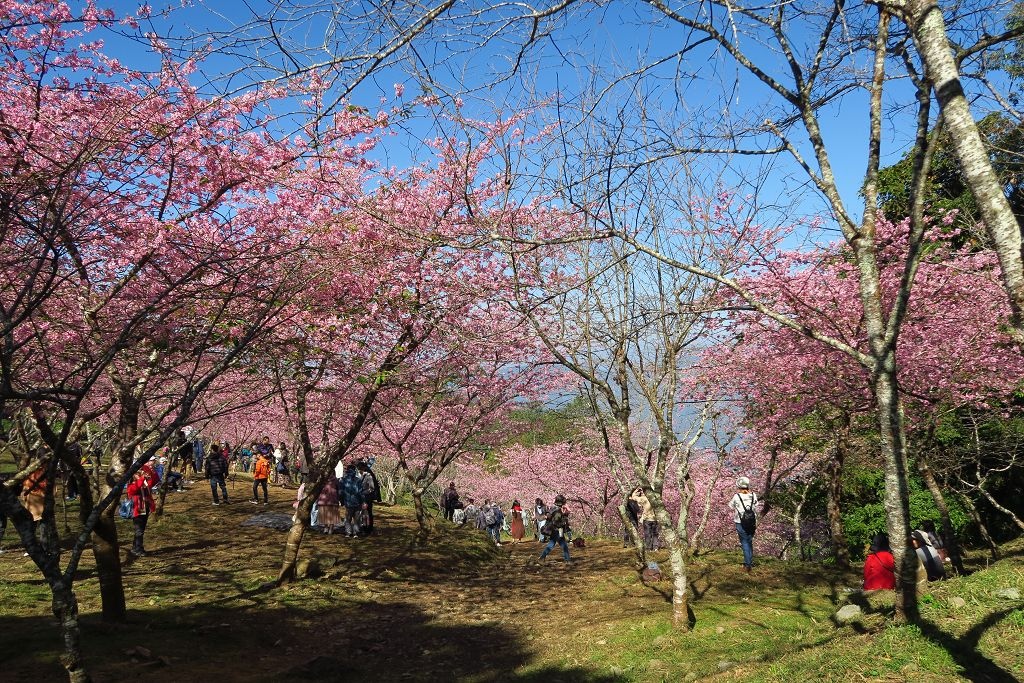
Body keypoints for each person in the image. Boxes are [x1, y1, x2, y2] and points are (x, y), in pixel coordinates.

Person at [125, 464, 157, 557]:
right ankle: (138, 548)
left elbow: (154, 481)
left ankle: (135, 547)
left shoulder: (144, 483)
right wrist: (142, 478)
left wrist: (152, 471)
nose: (141, 474)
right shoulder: (132, 484)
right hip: (137, 509)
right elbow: (134, 489)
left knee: (141, 529)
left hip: (145, 508)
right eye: (138, 473)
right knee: (139, 530)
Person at [728, 476, 758, 573]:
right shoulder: (753, 495)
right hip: (752, 522)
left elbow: (730, 505)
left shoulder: (737, 496)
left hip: (740, 522)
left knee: (744, 542)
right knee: (749, 541)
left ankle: (747, 564)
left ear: (739, 486)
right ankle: (750, 561)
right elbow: (756, 505)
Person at [539, 494, 572, 563]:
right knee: (564, 545)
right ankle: (568, 560)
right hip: (557, 530)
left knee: (551, 544)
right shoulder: (557, 511)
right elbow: (556, 522)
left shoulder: (553, 508)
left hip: (553, 530)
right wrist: (564, 523)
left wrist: (565, 514)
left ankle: (542, 557)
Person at [630, 486, 658, 551]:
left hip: (647, 518)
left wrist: (636, 490)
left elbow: (633, 497)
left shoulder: (643, 498)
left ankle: (648, 548)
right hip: (655, 518)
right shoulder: (655, 498)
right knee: (655, 534)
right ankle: (655, 547)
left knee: (647, 534)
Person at [341, 466, 364, 537]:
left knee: (348, 518)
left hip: (348, 502)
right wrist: (363, 501)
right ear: (355, 471)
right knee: (356, 519)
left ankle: (348, 532)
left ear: (347, 470)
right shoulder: (358, 480)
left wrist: (342, 501)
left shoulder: (344, 480)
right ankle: (355, 533)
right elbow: (361, 492)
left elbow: (341, 492)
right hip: (357, 502)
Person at [357, 461, 378, 535]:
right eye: (358, 468)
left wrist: (364, 492)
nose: (359, 470)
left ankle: (369, 528)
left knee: (368, 513)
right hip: (361, 497)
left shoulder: (368, 476)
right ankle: (363, 527)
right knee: (362, 513)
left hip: (367, 497)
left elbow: (372, 488)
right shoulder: (359, 476)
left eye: (360, 468)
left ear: (364, 468)